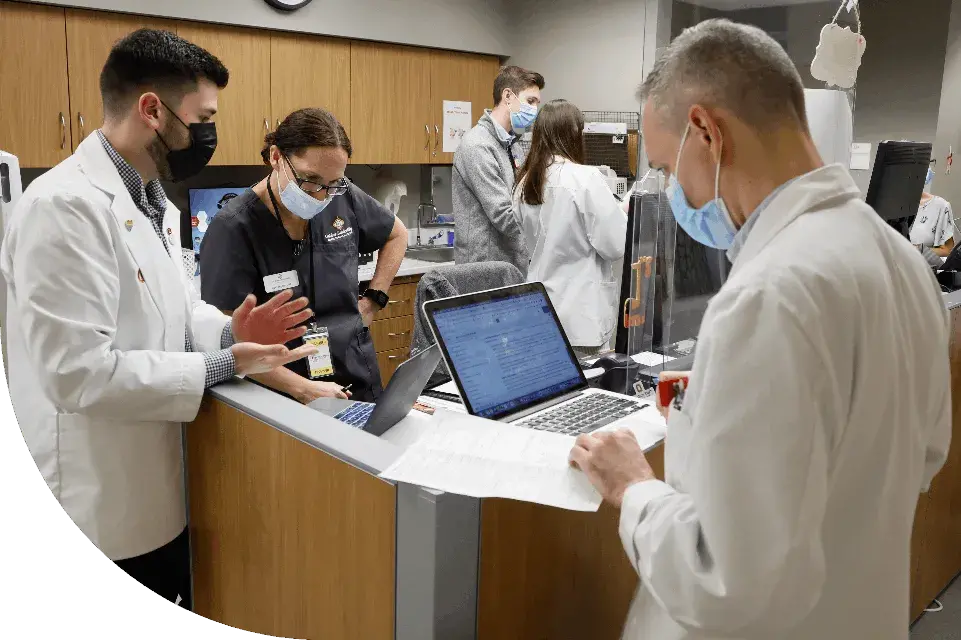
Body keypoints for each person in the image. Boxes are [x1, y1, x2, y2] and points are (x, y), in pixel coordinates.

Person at [568, 19, 951, 640]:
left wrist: (634, 488)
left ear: (706, 133)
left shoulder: (769, 294)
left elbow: (725, 583)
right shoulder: (900, 260)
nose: (673, 191)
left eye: (668, 168)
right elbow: (924, 452)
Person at [0, 29, 317, 608]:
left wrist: (229, 330)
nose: (209, 137)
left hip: (156, 486)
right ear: (152, 109)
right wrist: (223, 364)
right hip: (100, 501)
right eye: (203, 118)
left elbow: (171, 308)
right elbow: (77, 374)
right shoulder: (64, 207)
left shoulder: (149, 199)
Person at [200, 108, 408, 404]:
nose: (320, 196)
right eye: (309, 180)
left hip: (354, 372)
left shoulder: (342, 194)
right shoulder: (233, 228)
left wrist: (373, 301)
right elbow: (228, 343)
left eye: (332, 183)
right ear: (276, 157)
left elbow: (397, 233)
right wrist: (302, 388)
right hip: (284, 392)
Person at [512, 99, 627, 359]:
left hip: (538, 310)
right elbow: (615, 245)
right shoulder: (585, 179)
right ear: (574, 134)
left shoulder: (525, 182)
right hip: (579, 318)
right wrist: (621, 213)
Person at [452, 65, 544, 275]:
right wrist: (549, 228)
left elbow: (522, 200)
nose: (535, 109)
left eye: (537, 103)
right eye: (530, 101)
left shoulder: (513, 144)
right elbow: (504, 215)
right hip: (483, 270)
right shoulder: (477, 146)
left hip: (510, 265)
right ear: (508, 96)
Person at [910, 159, 956, 259]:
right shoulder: (887, 206)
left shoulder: (940, 206)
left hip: (924, 269)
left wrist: (917, 250)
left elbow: (947, 250)